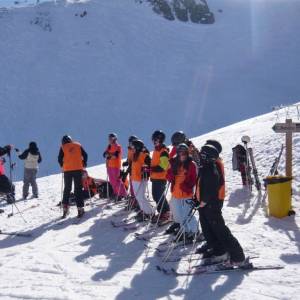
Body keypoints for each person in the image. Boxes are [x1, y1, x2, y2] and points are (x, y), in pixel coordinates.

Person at [196, 144, 246, 266]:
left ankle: (238, 257)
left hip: (211, 205)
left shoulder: (212, 171)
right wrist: (196, 199)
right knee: (209, 230)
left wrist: (204, 201)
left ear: (209, 157)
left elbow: (212, 189)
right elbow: (201, 186)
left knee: (220, 230)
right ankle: (220, 252)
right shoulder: (205, 167)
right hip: (205, 205)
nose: (200, 156)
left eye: (203, 155)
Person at [166, 143, 198, 242]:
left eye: (184, 153)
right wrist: (171, 174)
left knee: (187, 215)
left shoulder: (191, 164)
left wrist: (187, 186)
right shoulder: (175, 163)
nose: (182, 155)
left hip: (186, 194)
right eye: (180, 153)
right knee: (179, 215)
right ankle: (185, 231)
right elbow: (168, 176)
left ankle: (195, 232)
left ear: (187, 153)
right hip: (175, 193)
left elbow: (194, 179)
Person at [58, 135, 88, 218]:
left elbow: (59, 159)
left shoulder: (63, 147)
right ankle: (80, 208)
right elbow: (85, 155)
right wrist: (84, 163)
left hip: (67, 170)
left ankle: (65, 208)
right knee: (78, 188)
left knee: (67, 188)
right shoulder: (78, 145)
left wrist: (62, 166)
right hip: (78, 169)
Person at [130, 139, 153, 221]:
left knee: (141, 196)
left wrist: (146, 170)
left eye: (133, 147)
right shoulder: (135, 155)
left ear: (137, 147)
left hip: (141, 179)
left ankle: (150, 212)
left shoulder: (144, 155)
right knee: (138, 196)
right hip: (135, 178)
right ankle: (144, 211)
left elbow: (150, 165)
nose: (132, 148)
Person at [150, 130, 170, 223]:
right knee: (155, 196)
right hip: (155, 178)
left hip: (161, 178)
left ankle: (166, 213)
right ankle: (162, 212)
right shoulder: (156, 150)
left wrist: (151, 169)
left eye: (156, 139)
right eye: (153, 139)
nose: (154, 141)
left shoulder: (163, 151)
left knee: (159, 196)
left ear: (161, 140)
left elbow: (163, 166)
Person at [103, 133, 127, 201]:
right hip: (109, 165)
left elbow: (116, 155)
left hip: (115, 166)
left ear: (114, 139)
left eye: (111, 138)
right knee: (112, 181)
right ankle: (117, 193)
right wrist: (108, 155)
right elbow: (104, 154)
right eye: (109, 138)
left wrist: (109, 155)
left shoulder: (118, 146)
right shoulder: (109, 146)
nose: (109, 140)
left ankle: (124, 194)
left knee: (117, 180)